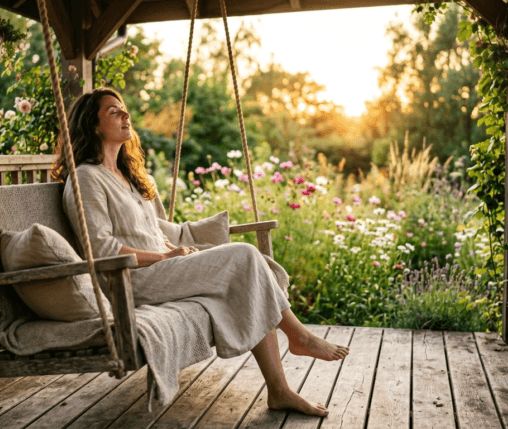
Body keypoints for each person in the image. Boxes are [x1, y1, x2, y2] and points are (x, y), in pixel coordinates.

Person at [56, 88, 349, 417]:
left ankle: (279, 391)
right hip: (130, 280)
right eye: (113, 111)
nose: (126, 115)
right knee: (244, 257)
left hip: (160, 270)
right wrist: (165, 258)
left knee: (250, 272)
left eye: (124, 109)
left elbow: (147, 233)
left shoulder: (127, 177)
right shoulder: (86, 179)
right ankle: (299, 337)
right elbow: (101, 248)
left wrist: (173, 249)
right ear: (92, 125)